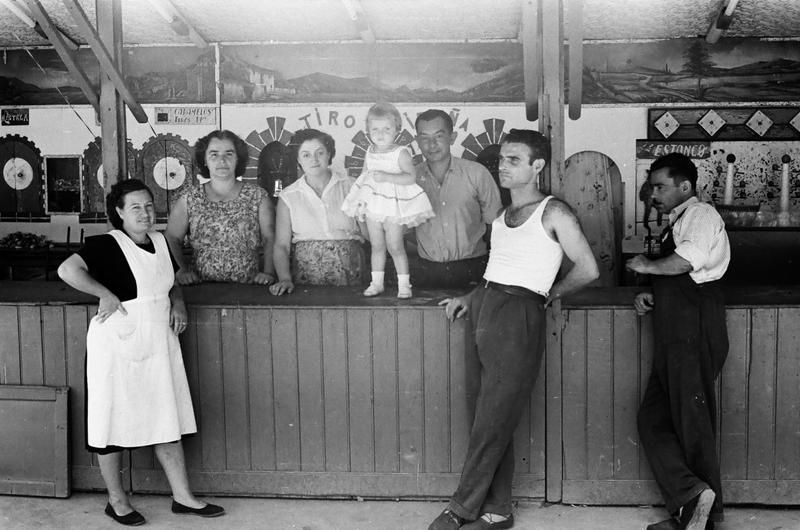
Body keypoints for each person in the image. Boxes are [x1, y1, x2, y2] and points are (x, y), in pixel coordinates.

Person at [430, 129, 599, 530]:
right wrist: (469, 299)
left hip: (520, 312)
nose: (503, 167)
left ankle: (462, 507)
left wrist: (547, 294)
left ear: (537, 166)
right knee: (485, 416)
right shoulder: (503, 218)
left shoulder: (554, 211)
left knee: (492, 419)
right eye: (502, 160)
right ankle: (499, 508)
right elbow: (496, 271)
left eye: (514, 160)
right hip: (486, 307)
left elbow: (589, 269)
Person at [57, 179, 224, 526]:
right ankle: (116, 501)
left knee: (167, 414)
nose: (145, 213)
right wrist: (102, 292)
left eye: (149, 205)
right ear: (119, 213)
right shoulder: (106, 244)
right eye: (135, 207)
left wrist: (178, 303)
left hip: (158, 341)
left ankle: (183, 497)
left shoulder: (162, 241)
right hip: (118, 342)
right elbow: (67, 270)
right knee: (111, 420)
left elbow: (172, 282)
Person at [626, 152, 730, 530]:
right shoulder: (680, 220)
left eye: (660, 186)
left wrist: (648, 267)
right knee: (653, 420)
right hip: (673, 330)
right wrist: (654, 294)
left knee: (693, 423)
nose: (653, 193)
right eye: (651, 186)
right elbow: (683, 274)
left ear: (685, 186)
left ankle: (708, 517)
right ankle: (690, 499)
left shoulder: (701, 215)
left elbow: (689, 261)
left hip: (693, 329)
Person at [341, 102, 435, 298]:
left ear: (397, 129)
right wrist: (360, 202)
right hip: (374, 205)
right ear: (368, 130)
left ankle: (404, 285)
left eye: (387, 129)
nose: (381, 134)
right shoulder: (370, 151)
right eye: (375, 129)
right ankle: (377, 283)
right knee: (376, 245)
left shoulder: (400, 153)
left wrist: (387, 177)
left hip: (393, 205)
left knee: (395, 245)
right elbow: (365, 177)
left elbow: (410, 177)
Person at [166, 129, 276, 285]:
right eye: (214, 154)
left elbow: (270, 238)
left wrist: (268, 272)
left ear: (238, 159)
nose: (222, 160)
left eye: (229, 154)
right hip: (200, 289)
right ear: (204, 159)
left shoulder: (257, 196)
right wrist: (181, 270)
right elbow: (171, 237)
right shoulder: (189, 198)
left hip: (248, 288)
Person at [270, 128, 367, 295]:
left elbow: (368, 233)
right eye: (306, 155)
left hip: (352, 274)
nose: (314, 159)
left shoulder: (352, 187)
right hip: (306, 278)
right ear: (298, 159)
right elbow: (281, 246)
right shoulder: (288, 196)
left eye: (319, 153)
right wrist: (284, 278)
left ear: (329, 154)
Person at [413, 109, 502, 288]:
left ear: (452, 137)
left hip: (473, 269)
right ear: (417, 142)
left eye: (439, 136)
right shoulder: (410, 179)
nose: (432, 145)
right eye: (424, 138)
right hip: (427, 271)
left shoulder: (477, 174)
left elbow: (497, 227)